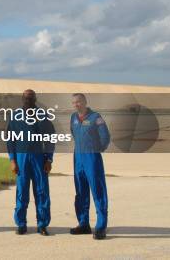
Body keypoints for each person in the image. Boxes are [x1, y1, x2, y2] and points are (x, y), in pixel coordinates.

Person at [7, 89, 55, 236]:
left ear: (35, 99)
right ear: (22, 99)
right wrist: (13, 160)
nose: (28, 100)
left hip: (39, 158)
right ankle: (21, 224)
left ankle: (42, 225)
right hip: (21, 158)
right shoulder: (15, 116)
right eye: (26, 97)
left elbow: (50, 138)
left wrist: (49, 159)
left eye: (31, 97)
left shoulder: (42, 116)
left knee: (41, 191)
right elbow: (10, 139)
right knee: (22, 191)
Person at [69, 93, 110, 240]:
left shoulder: (95, 117)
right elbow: (74, 133)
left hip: (92, 157)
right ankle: (83, 223)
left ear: (85, 102)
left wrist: (97, 149)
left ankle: (100, 227)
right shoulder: (73, 118)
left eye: (79, 102)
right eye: (74, 102)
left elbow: (105, 137)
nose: (76, 105)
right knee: (81, 191)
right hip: (78, 157)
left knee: (98, 191)